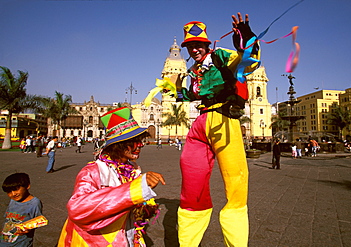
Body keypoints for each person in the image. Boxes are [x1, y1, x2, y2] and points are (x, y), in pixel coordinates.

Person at [175, 13, 259, 246]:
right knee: (192, 181)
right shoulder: (194, 72)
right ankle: (188, 241)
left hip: (224, 120)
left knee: (236, 184)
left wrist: (244, 35)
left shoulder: (220, 56)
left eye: (198, 45)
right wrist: (176, 89)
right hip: (200, 124)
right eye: (190, 46)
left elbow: (248, 61)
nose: (194, 50)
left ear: (206, 44)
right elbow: (190, 95)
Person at [57, 107, 165, 247]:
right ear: (118, 145)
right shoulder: (93, 171)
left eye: (140, 140)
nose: (140, 145)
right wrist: (135, 189)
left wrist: (144, 210)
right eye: (133, 141)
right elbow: (77, 209)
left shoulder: (133, 170)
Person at [1, 173, 43, 246]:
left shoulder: (35, 203)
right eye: (9, 192)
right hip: (5, 240)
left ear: (27, 186)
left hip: (21, 242)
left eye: (16, 189)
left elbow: (39, 221)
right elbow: (7, 218)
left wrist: (28, 229)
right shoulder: (13, 200)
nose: (13, 194)